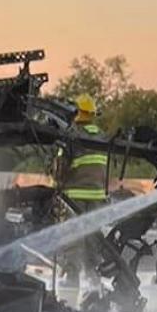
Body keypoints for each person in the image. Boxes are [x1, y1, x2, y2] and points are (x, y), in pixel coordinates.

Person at [57, 95, 111, 286]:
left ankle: (71, 281)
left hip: (74, 197)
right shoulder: (102, 136)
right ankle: (94, 282)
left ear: (76, 112)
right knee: (93, 239)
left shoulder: (72, 135)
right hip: (97, 196)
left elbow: (61, 167)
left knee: (72, 238)